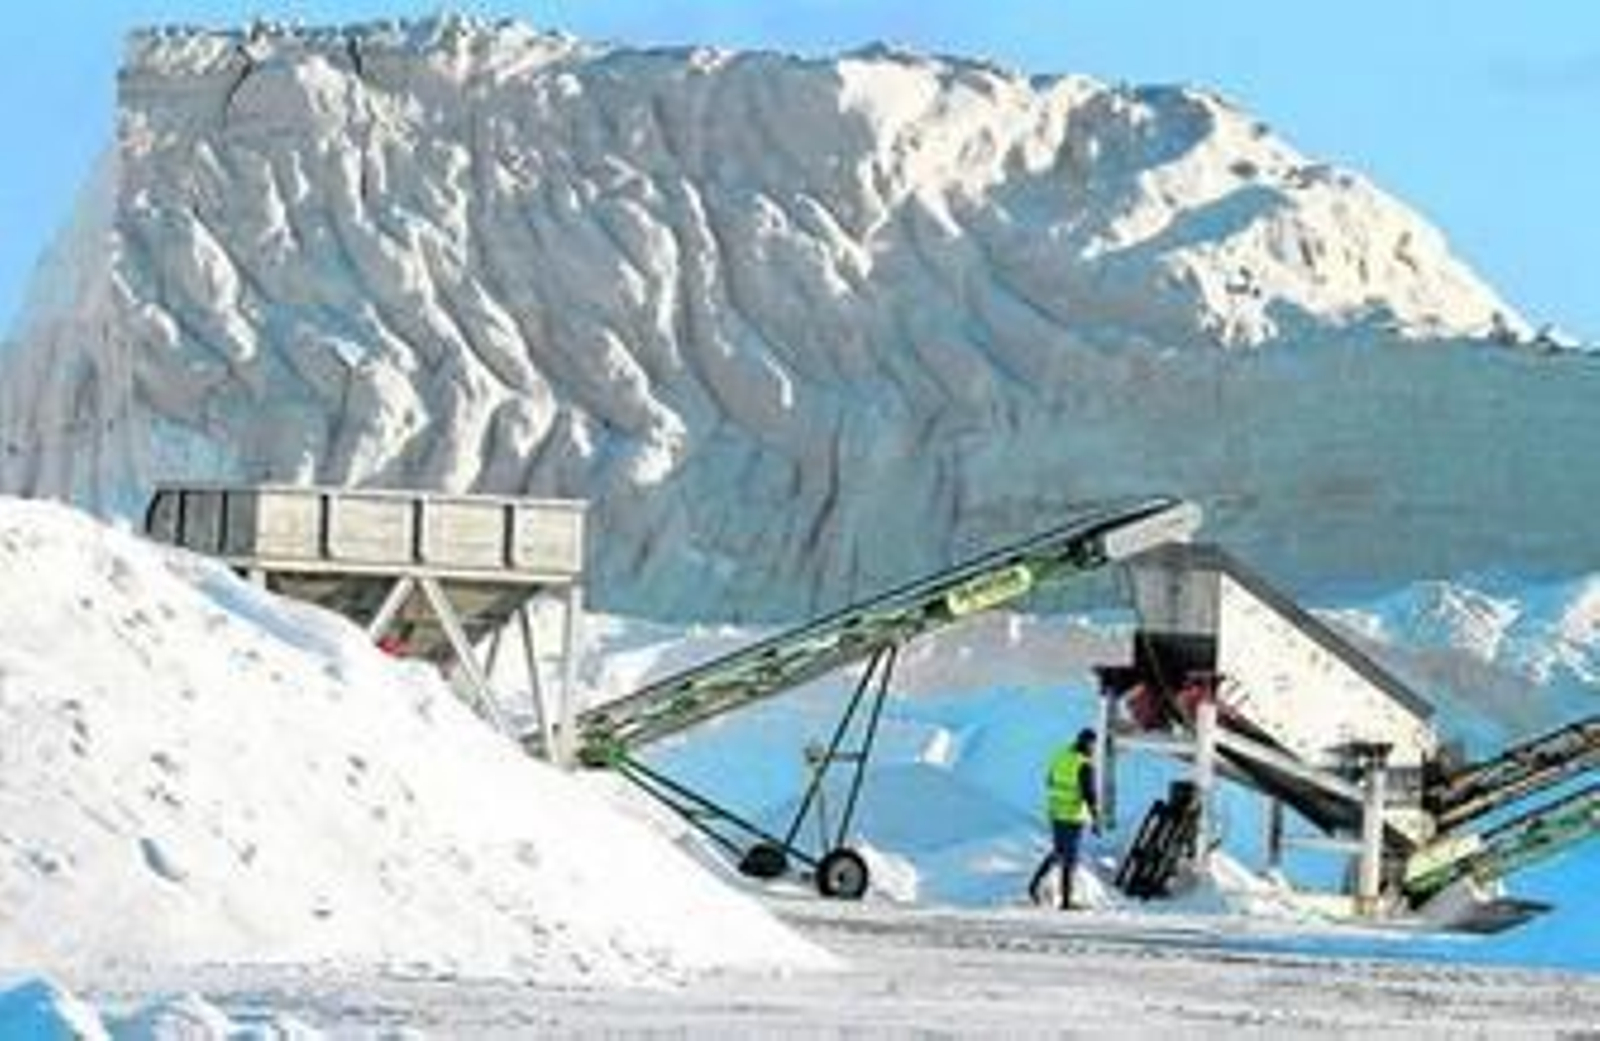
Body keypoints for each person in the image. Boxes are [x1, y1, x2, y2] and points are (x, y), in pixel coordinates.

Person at [1028, 727, 1100, 909]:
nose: (1094, 749)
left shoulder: (1061, 756)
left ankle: (1034, 885)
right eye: (1093, 745)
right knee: (1070, 858)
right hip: (1072, 815)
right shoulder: (1084, 765)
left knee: (1059, 851)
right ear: (1089, 744)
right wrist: (1095, 818)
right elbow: (1089, 794)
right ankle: (1067, 901)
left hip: (1056, 812)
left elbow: (1049, 780)